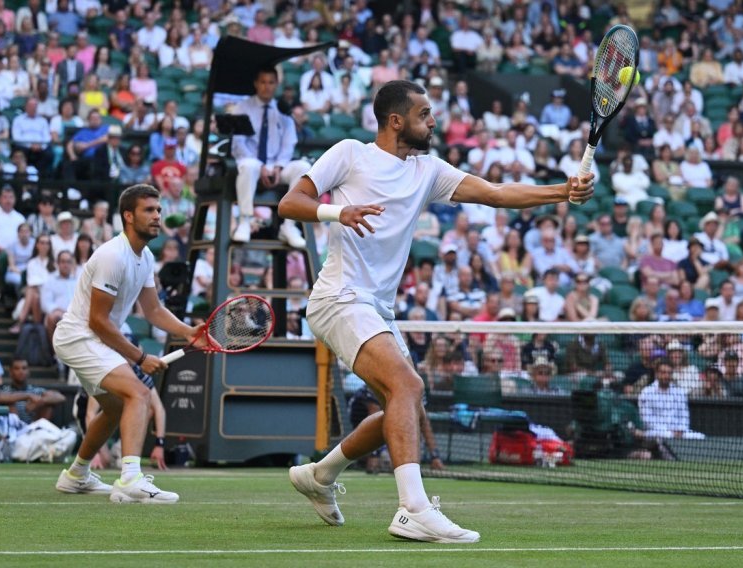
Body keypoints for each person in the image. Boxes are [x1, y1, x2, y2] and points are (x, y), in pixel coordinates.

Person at [279, 80, 593, 543]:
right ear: (396, 120)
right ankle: (413, 509)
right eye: (425, 114)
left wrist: (562, 192)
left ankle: (319, 475)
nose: (433, 121)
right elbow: (291, 202)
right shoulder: (350, 153)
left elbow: (496, 193)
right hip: (339, 298)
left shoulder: (428, 170)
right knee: (408, 385)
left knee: (400, 405)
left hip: (378, 308)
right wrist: (336, 214)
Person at [53, 184, 208, 503]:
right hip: (79, 336)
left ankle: (76, 476)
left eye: (158, 210)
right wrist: (140, 358)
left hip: (93, 338)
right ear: (128, 215)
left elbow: (152, 309)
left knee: (115, 407)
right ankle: (130, 478)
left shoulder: (146, 256)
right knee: (138, 393)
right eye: (148, 210)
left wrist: (189, 331)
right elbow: (98, 320)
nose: (156, 216)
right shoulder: (113, 255)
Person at [231, 68, 311, 245]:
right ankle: (245, 220)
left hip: (276, 167)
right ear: (256, 84)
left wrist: (278, 167)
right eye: (263, 82)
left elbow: (289, 142)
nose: (267, 87)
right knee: (248, 165)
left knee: (303, 168)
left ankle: (289, 226)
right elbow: (238, 143)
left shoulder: (283, 109)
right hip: (252, 166)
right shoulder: (242, 108)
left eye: (271, 82)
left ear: (277, 84)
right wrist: (261, 167)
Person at [638, 358, 705, 440]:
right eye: (663, 373)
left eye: (669, 373)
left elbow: (684, 416)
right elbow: (646, 420)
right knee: (667, 436)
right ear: (656, 374)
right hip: (656, 433)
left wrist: (680, 429)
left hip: (679, 433)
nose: (666, 376)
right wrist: (667, 430)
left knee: (700, 437)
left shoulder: (679, 392)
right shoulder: (646, 393)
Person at [0, 358, 65, 423]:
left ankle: (40, 430)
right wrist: (28, 396)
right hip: (13, 429)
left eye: (24, 368)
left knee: (48, 400)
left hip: (34, 426)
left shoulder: (35, 390)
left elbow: (61, 397)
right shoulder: (5, 390)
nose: (21, 371)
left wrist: (41, 401)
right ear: (10, 372)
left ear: (28, 371)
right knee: (9, 401)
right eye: (17, 368)